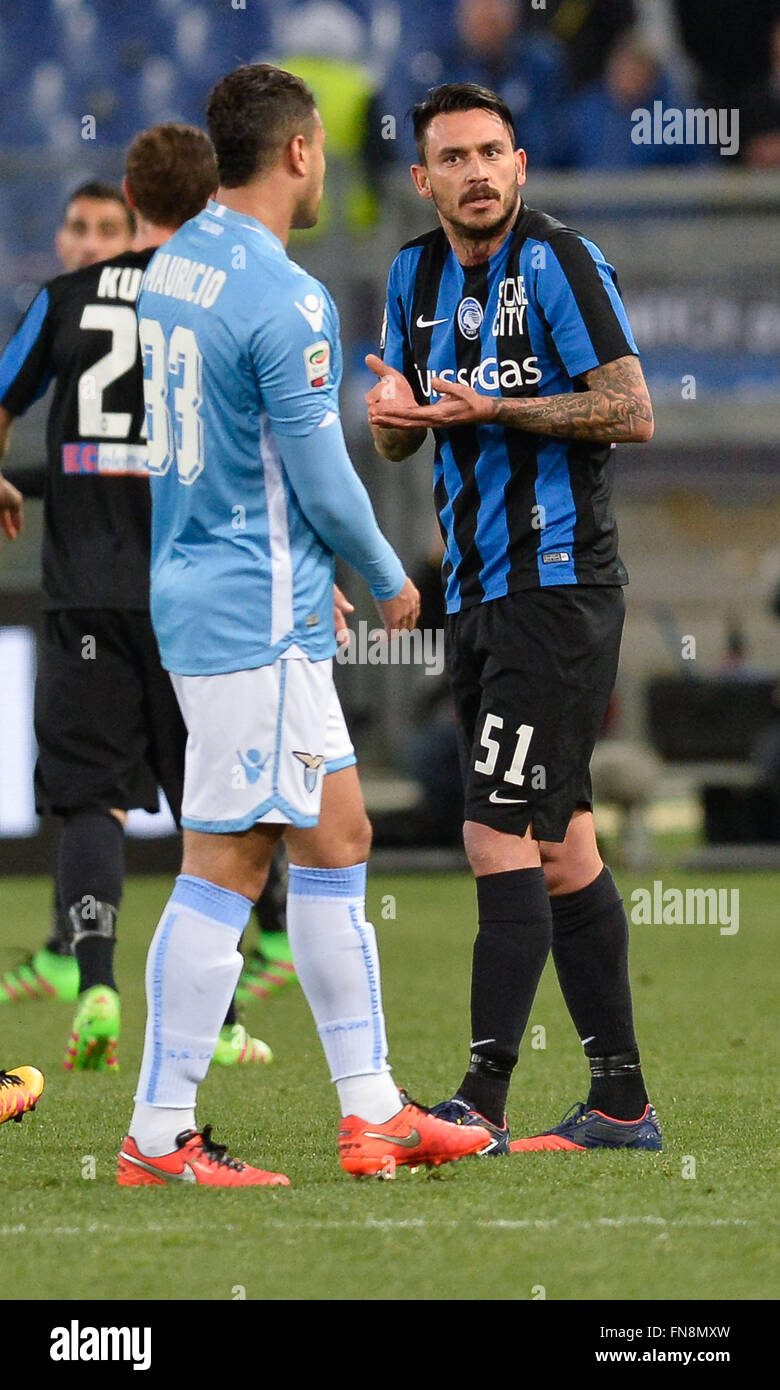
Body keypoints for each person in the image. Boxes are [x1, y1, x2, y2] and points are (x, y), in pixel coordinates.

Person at [116, 62, 492, 1187]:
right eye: (322, 147)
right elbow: (326, 478)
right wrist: (384, 574)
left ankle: (373, 1109)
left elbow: (215, 449)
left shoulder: (171, 264)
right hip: (252, 621)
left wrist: (291, 561)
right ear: (295, 153)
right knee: (226, 861)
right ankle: (156, 1132)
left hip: (218, 585)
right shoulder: (284, 294)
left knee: (338, 838)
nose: (325, 164)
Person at [367, 82, 662, 1154]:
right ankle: (621, 1105)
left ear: (521, 164)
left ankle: (478, 1102)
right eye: (455, 157)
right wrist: (396, 420)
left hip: (560, 588)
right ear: (424, 177)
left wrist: (499, 405)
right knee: (565, 844)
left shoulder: (558, 262)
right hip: (479, 592)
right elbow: (412, 435)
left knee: (496, 833)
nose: (477, 171)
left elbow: (629, 407)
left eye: (493, 151)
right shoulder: (411, 274)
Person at [0, 125, 270, 1073]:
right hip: (192, 596)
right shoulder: (222, 301)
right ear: (211, 199)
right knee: (214, 812)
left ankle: (100, 981)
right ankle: (224, 1015)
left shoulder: (67, 298)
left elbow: (1, 394)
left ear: (129, 195)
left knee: (90, 806)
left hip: (81, 597)